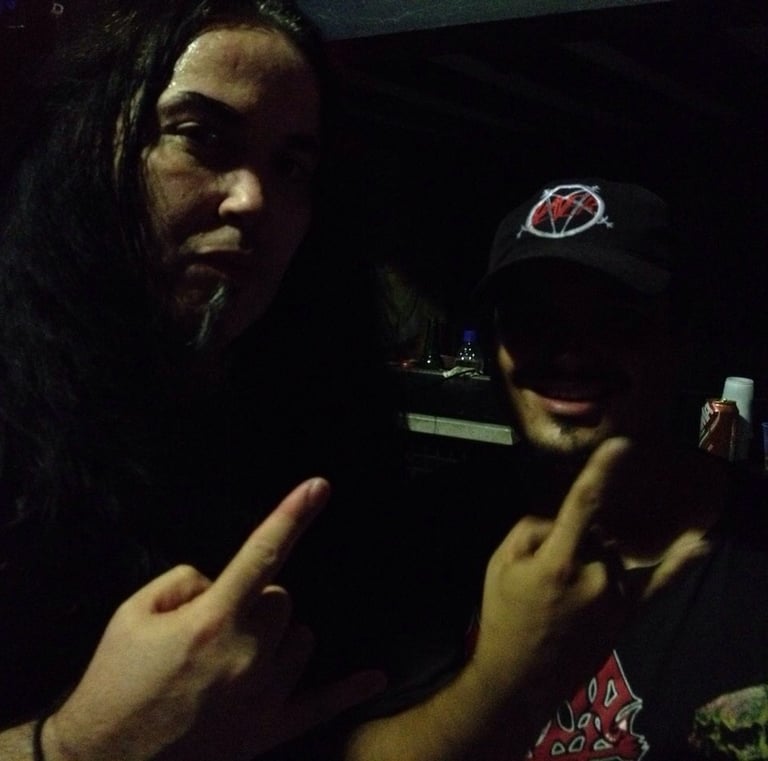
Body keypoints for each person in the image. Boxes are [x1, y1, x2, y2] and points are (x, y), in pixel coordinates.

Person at [0, 1, 402, 759]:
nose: (253, 199)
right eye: (201, 136)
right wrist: (77, 746)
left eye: (291, 166)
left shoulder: (317, 423)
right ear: (87, 143)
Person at [339, 179, 768, 760]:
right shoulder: (423, 531)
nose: (568, 350)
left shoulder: (751, 555)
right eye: (531, 319)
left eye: (614, 319)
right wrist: (502, 682)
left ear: (680, 340)